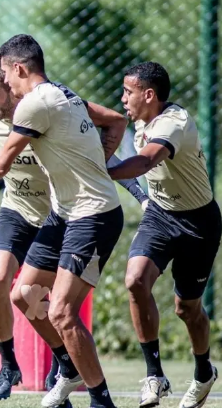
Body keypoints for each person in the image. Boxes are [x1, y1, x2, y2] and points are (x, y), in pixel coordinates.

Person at [0, 60, 148, 402]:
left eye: (5, 80)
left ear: (19, 69)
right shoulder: (56, 96)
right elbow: (114, 122)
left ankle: (101, 399)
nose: (2, 91)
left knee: (61, 311)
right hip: (59, 212)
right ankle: (64, 368)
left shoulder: (36, 104)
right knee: (22, 294)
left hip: (90, 215)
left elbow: (1, 164)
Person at [108, 61, 221, 408]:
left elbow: (142, 163)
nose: (123, 98)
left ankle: (204, 373)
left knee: (187, 309)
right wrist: (141, 197)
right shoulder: (139, 122)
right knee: (135, 280)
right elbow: (123, 165)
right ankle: (154, 376)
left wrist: (98, 168)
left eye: (128, 92)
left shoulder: (175, 123)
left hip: (199, 222)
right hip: (160, 216)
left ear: (149, 94)